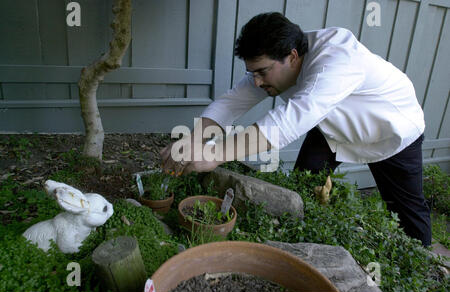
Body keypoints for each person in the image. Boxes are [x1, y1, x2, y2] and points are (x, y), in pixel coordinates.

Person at [160, 12, 431, 246]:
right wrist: (194, 141)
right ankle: (309, 240)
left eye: (262, 72)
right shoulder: (279, 58)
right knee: (303, 189)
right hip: (330, 129)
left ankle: (427, 269)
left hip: (390, 133)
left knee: (407, 213)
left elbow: (287, 122)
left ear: (292, 56)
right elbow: (232, 102)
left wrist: (215, 154)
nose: (256, 82)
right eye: (252, 73)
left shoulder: (337, 59)